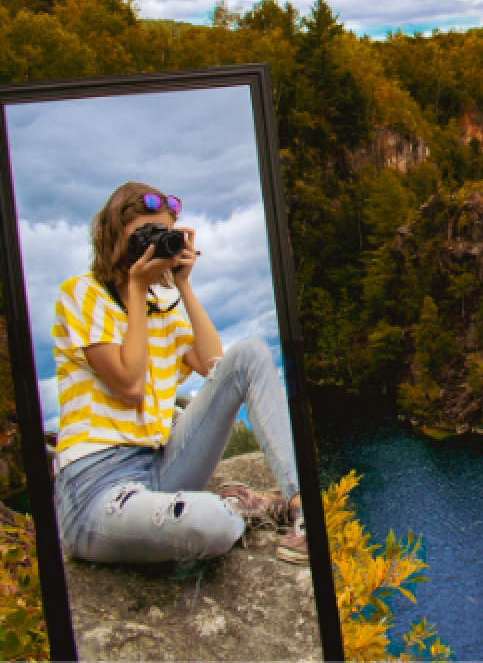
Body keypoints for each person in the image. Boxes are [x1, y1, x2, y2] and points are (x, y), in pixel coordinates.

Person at [51, 182, 307, 565]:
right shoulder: (82, 295)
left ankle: (300, 506)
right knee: (213, 524)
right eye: (145, 235)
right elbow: (131, 385)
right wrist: (137, 288)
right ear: (112, 238)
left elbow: (214, 366)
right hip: (96, 487)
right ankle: (235, 511)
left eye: (163, 236)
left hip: (160, 466)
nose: (154, 246)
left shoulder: (163, 306)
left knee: (251, 351)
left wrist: (183, 284)